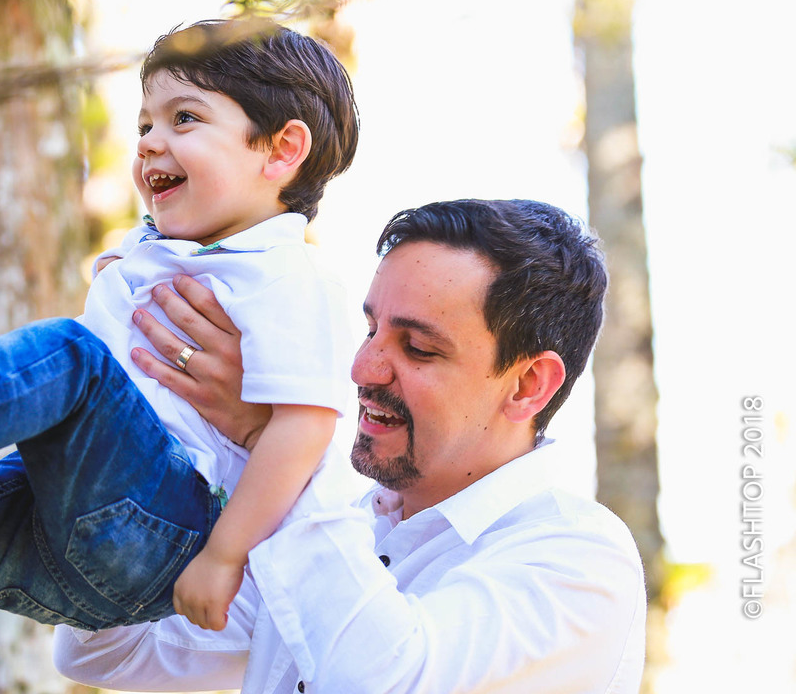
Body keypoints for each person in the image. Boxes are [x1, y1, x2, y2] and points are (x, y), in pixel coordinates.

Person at [0, 18, 361, 693]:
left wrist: (224, 556)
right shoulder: (155, 253)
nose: (150, 144)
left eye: (184, 118)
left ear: (281, 150)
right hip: (72, 538)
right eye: (143, 126)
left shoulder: (291, 275)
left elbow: (306, 426)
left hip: (170, 532)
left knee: (72, 358)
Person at [54, 198, 648, 693]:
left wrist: (272, 439)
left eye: (417, 348)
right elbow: (113, 650)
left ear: (527, 385)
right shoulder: (340, 523)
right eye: (370, 330)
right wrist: (140, 421)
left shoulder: (578, 559)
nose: (363, 368)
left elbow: (384, 681)